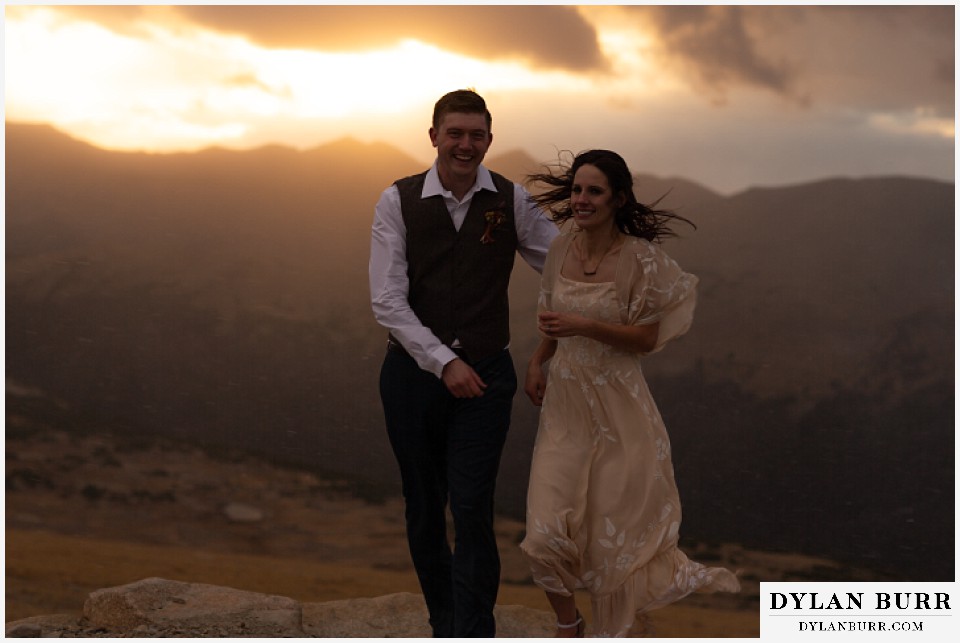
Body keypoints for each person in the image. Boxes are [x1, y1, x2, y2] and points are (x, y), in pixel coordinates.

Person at [519, 149, 740, 637]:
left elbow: (644, 339)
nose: (581, 199)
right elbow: (554, 322)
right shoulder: (559, 250)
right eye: (577, 189)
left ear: (618, 199)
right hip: (566, 410)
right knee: (544, 535)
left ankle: (613, 632)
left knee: (611, 540)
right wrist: (538, 361)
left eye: (594, 191)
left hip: (621, 412)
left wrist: (585, 325)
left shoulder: (640, 259)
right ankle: (568, 626)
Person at [369, 89, 559, 637]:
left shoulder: (512, 200)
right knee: (425, 505)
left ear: (489, 141)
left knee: (473, 504)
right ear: (434, 137)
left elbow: (563, 265)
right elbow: (387, 300)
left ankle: (474, 630)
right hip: (410, 377)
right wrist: (440, 360)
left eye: (476, 135)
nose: (465, 144)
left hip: (488, 373)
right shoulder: (396, 201)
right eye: (455, 133)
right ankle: (443, 621)